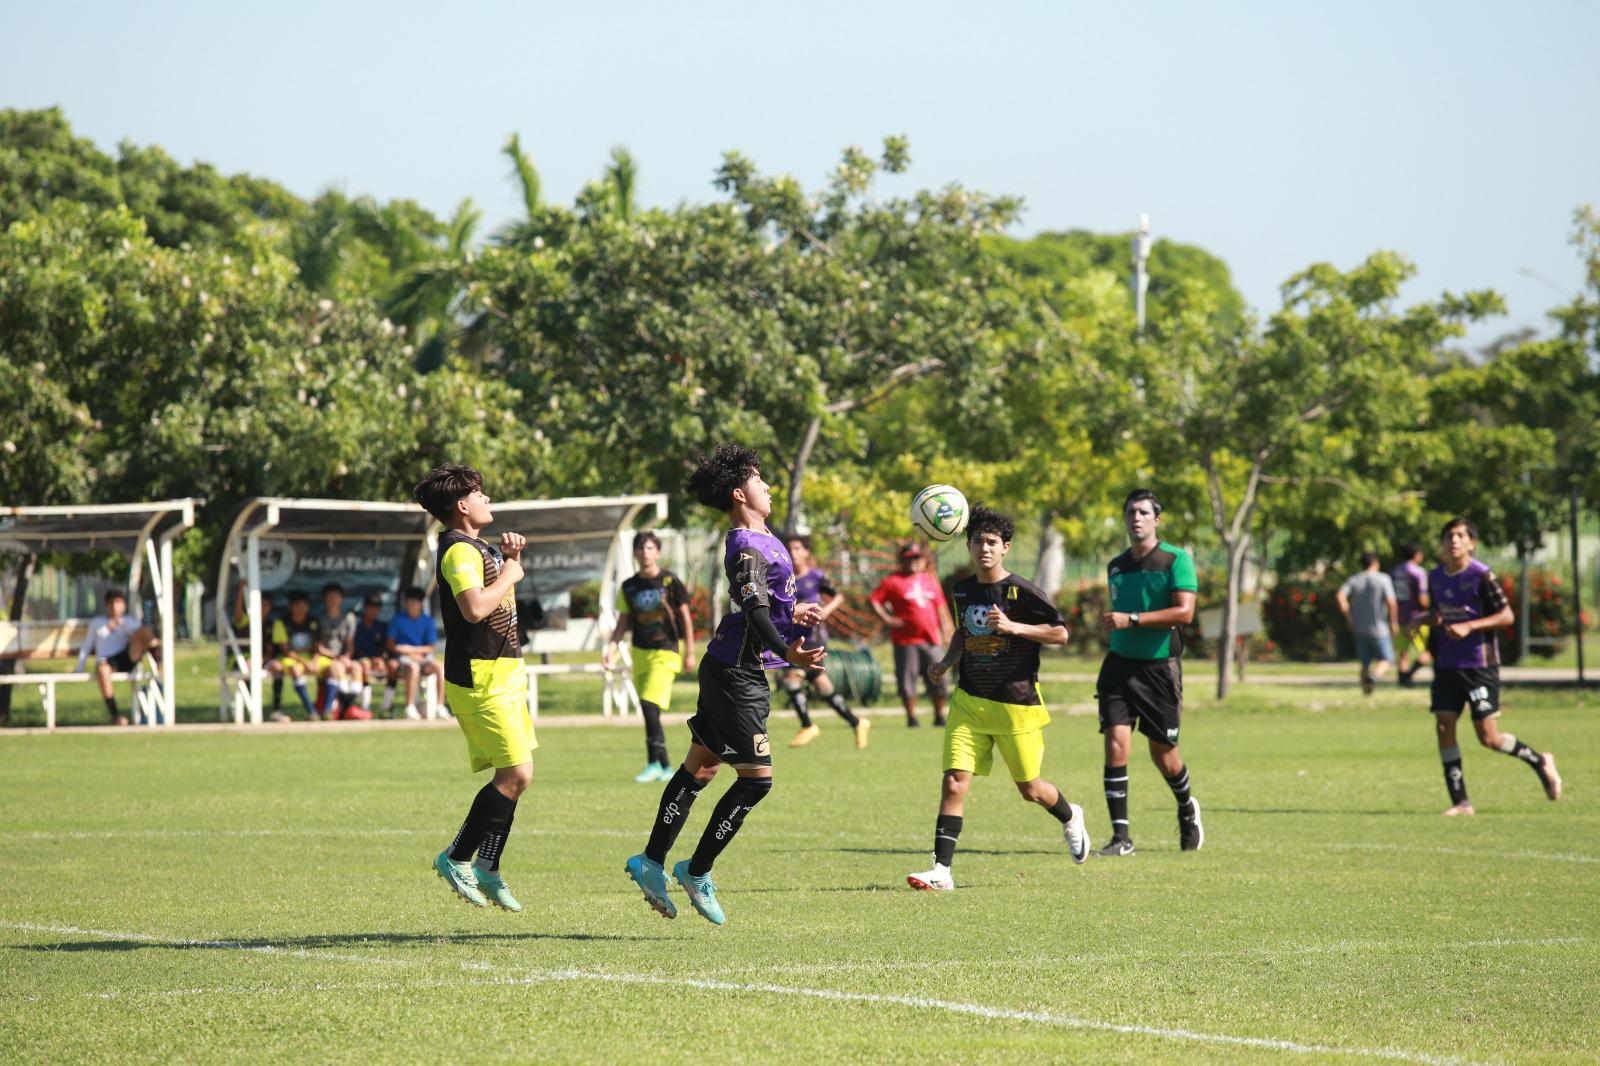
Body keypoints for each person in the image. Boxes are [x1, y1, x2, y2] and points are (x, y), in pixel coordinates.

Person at [625, 444, 825, 925]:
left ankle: (651, 861)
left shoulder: (766, 538)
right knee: (758, 780)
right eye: (760, 481)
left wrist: (790, 612)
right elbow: (754, 612)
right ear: (740, 494)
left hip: (731, 668)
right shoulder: (746, 547)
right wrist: (788, 649)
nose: (769, 487)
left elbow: (760, 604)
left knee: (701, 768)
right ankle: (697, 870)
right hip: (736, 675)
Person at [906, 504, 1088, 891]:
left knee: (1031, 789)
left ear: (1005, 547)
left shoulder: (1022, 591)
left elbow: (1060, 634)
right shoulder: (963, 588)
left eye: (992, 542)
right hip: (970, 701)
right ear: (968, 545)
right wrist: (945, 662)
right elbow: (963, 631)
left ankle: (1071, 816)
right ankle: (942, 871)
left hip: (1016, 705)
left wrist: (1013, 626)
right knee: (954, 781)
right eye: (977, 542)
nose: (983, 549)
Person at [415, 463, 534, 912]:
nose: (488, 500)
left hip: (503, 673)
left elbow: (500, 606)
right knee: (516, 775)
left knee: (515, 778)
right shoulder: (457, 552)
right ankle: (458, 857)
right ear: (462, 506)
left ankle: (487, 866)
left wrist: (511, 564)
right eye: (480, 494)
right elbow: (473, 609)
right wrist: (510, 574)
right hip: (480, 678)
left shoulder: (477, 547)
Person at [1092, 489, 1202, 857]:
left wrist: (1133, 619)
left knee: (1164, 755)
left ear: (1157, 519)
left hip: (1159, 671)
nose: (1135, 518)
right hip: (1118, 667)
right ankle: (1121, 838)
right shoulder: (1116, 566)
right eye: (1130, 513)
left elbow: (1184, 613)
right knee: (1115, 746)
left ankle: (1187, 807)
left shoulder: (1176, 560)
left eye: (1143, 512)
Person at [1427, 517, 1561, 815]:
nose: (1455, 540)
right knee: (1443, 726)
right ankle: (1461, 802)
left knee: (1488, 737)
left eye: (1461, 536)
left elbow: (1506, 616)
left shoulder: (1481, 575)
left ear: (1471, 543)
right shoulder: (1435, 576)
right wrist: (1424, 620)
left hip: (1478, 665)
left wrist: (1470, 626)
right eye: (1449, 535)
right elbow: (1438, 613)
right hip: (1447, 664)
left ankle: (1539, 760)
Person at [603, 530, 697, 783]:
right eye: (641, 548)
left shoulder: (670, 581)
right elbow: (623, 622)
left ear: (658, 552)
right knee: (649, 710)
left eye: (650, 548)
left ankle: (654, 764)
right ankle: (663, 765)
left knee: (648, 705)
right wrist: (611, 650)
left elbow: (686, 618)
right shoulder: (629, 586)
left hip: (666, 651)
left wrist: (690, 652)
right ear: (635, 553)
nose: (645, 553)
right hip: (640, 652)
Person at [782, 533, 869, 750]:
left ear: (806, 552)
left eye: (798, 548)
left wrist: (826, 611)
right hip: (792, 638)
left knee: (791, 677)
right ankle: (857, 722)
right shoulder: (784, 578)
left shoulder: (816, 577)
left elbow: (838, 596)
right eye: (790, 549)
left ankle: (807, 725)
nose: (793, 553)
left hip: (813, 638)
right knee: (823, 685)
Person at [868, 542, 953, 727]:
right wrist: (887, 619)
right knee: (907, 682)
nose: (913, 561)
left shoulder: (929, 580)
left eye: (917, 557)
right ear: (901, 560)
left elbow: (940, 608)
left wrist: (947, 631)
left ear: (922, 560)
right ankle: (911, 718)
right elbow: (873, 600)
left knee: (940, 678)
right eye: (909, 558)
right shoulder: (892, 581)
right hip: (905, 641)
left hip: (931, 640)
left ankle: (939, 715)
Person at [75, 589, 158, 726]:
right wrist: (80, 667)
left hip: (127, 657)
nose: (114, 607)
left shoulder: (128, 621)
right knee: (102, 669)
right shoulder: (98, 623)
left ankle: (159, 664)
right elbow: (87, 646)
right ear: (106, 605)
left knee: (143, 632)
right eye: (111, 603)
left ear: (124, 605)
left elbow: (142, 635)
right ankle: (116, 715)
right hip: (107, 661)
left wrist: (123, 624)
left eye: (118, 603)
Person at [1337, 553, 1399, 695]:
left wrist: (1349, 617)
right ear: (1375, 563)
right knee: (1386, 659)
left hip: (1359, 628)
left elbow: (1340, 596)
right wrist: (1393, 623)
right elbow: (1391, 603)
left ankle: (1366, 692)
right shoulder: (1383, 579)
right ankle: (1374, 676)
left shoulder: (1354, 580)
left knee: (1364, 663)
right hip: (1380, 629)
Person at [387, 587, 441, 720]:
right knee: (413, 667)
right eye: (408, 602)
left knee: (440, 668)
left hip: (423, 658)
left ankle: (440, 706)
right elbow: (390, 644)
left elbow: (431, 647)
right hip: (404, 659)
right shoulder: (398, 619)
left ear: (420, 604)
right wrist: (408, 654)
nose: (410, 605)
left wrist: (410, 650)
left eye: (413, 602)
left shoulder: (427, 621)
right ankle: (409, 707)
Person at [317, 582, 370, 720]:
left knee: (357, 668)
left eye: (336, 597)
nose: (333, 600)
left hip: (343, 657)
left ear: (341, 599)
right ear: (325, 599)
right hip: (327, 658)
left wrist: (346, 657)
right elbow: (319, 647)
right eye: (330, 597)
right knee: (338, 669)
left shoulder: (349, 618)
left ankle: (357, 707)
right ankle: (346, 708)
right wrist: (336, 657)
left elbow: (350, 643)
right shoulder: (320, 618)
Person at [268, 591, 323, 722]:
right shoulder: (281, 623)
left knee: (334, 669)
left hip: (311, 659)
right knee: (294, 669)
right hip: (291, 659)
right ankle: (311, 711)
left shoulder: (313, 621)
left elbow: (317, 647)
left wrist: (314, 661)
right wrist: (305, 662)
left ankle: (328, 711)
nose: (300, 608)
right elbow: (286, 651)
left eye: (303, 605)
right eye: (297, 605)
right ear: (291, 607)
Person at [1392, 542, 1432, 686]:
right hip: (1417, 617)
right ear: (1417, 554)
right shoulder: (1419, 572)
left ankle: (1402, 679)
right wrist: (1432, 606)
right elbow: (1422, 599)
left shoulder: (1395, 571)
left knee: (1403, 651)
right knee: (1429, 650)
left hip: (1400, 616)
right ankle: (1410, 673)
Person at [351, 592, 395, 715]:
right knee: (365, 664)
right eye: (371, 608)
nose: (373, 611)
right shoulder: (357, 626)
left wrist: (380, 659)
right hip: (360, 660)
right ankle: (365, 707)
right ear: (365, 608)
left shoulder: (382, 626)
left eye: (377, 608)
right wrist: (370, 660)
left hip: (378, 661)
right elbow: (356, 648)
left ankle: (386, 707)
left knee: (393, 667)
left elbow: (384, 647)